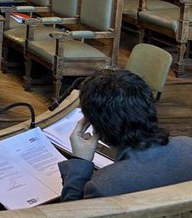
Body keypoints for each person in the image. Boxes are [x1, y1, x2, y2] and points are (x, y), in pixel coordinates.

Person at [59, 69, 192, 201]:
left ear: (96, 126)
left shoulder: (103, 186)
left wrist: (80, 162)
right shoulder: (188, 145)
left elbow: (70, 217)